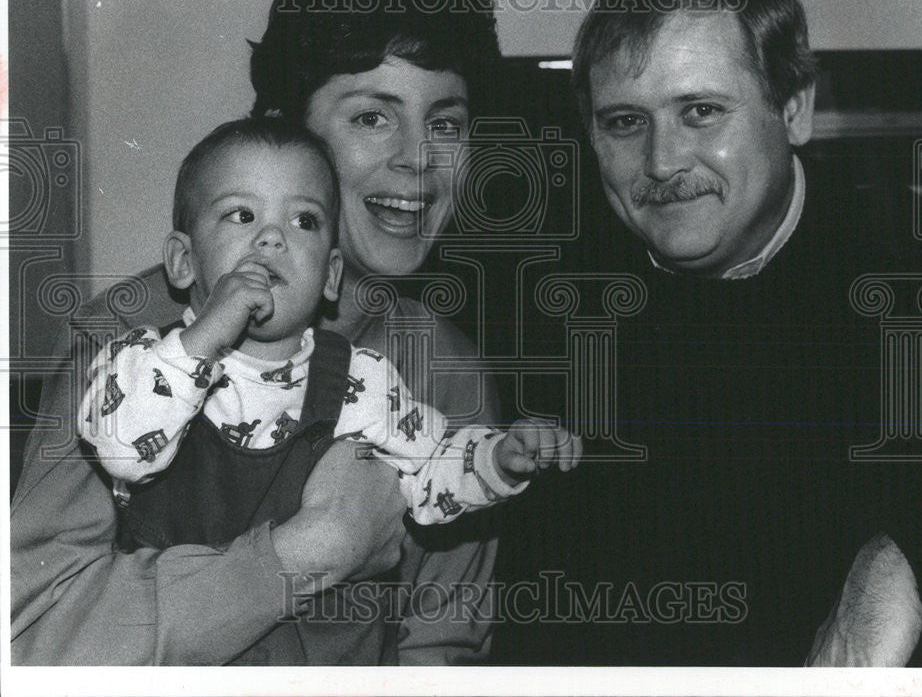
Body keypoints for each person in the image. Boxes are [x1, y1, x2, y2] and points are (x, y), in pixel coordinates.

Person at [11, 0, 514, 665]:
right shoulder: (127, 337)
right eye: (372, 116)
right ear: (286, 127)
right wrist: (306, 554)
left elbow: (444, 644)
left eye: (445, 123)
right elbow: (29, 634)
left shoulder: (447, 370)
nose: (417, 159)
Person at [493, 0, 922, 666]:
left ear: (796, 109)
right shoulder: (541, 304)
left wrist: (910, 559)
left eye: (702, 112)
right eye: (625, 121)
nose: (661, 162)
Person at [80, 116, 580, 539]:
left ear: (330, 276)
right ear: (183, 260)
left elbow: (430, 472)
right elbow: (125, 453)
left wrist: (499, 458)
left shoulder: (361, 381)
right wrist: (206, 337)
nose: (272, 238)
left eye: (304, 222)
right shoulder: (142, 360)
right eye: (242, 215)